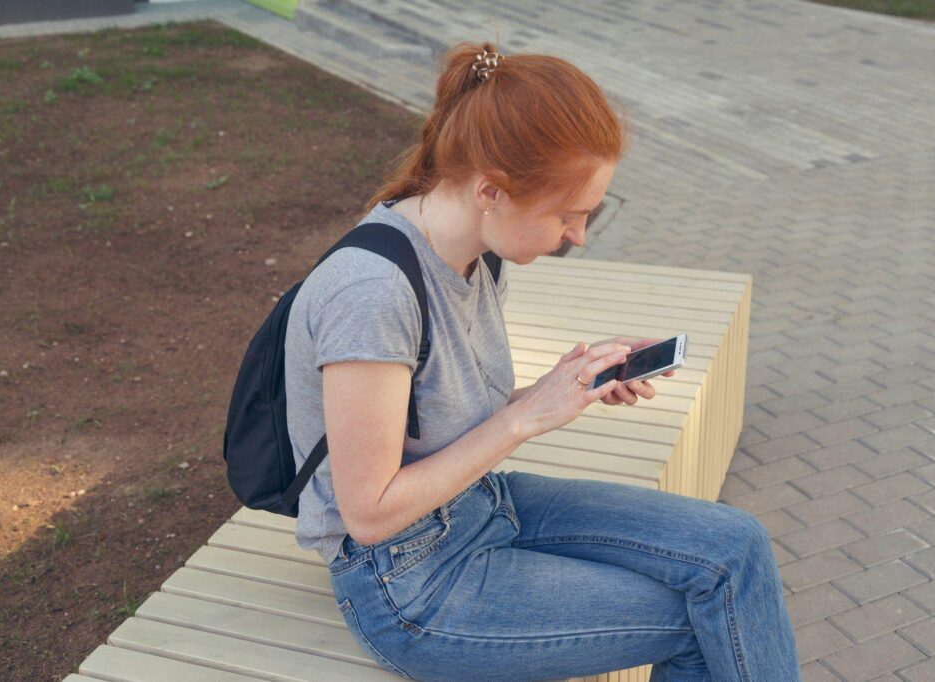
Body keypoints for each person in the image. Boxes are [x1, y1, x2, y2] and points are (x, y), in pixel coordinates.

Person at [284, 40, 800, 682]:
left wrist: (568, 386)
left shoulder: (476, 252)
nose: (579, 236)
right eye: (568, 214)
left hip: (481, 504)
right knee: (706, 614)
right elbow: (369, 513)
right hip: (409, 583)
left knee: (737, 547)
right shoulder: (373, 294)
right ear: (491, 192)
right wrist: (525, 421)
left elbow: (439, 411)